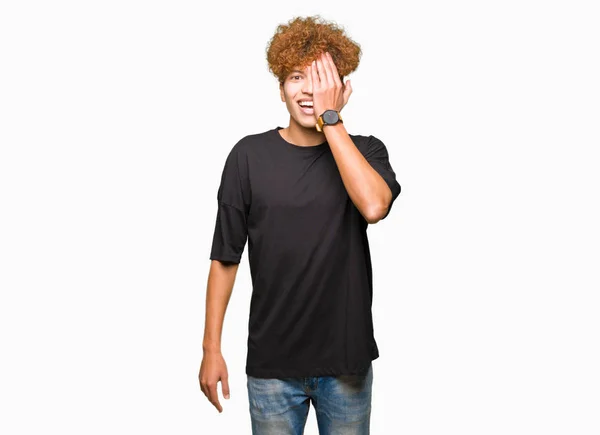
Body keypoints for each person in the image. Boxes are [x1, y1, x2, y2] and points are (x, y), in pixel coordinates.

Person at [199, 15, 401, 434]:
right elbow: (225, 257)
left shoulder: (367, 151)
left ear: (342, 89)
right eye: (296, 77)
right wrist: (211, 348)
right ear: (280, 88)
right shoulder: (248, 157)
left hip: (345, 366)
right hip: (273, 367)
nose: (309, 90)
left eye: (321, 78)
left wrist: (332, 120)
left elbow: (373, 206)